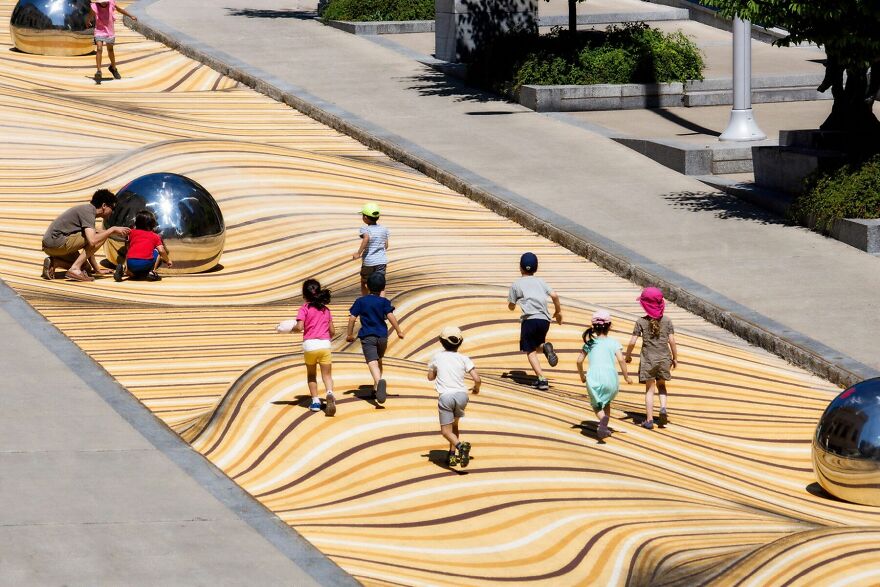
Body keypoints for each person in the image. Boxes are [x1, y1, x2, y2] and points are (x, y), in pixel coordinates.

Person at [41, 189, 130, 282]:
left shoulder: (86, 211)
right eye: (112, 208)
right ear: (104, 205)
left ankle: (54, 263)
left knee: (86, 268)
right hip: (57, 242)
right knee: (101, 234)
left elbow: (90, 245)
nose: (113, 212)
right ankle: (75, 269)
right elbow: (92, 241)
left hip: (51, 245)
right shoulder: (88, 211)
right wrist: (111, 230)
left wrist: (97, 270)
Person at [624, 287, 678, 430]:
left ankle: (649, 419)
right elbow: (672, 341)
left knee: (649, 389)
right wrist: (675, 358)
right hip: (664, 358)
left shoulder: (640, 322)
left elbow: (632, 342)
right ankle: (663, 408)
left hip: (648, 360)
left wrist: (628, 355)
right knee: (662, 385)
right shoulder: (667, 321)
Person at [507, 252, 562, 391]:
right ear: (536, 268)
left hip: (530, 320)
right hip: (544, 320)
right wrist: (558, 311)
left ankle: (542, 379)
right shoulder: (541, 282)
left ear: (520, 267)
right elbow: (554, 295)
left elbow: (511, 305)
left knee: (529, 350)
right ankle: (545, 348)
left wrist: (512, 305)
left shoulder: (516, 284)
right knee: (536, 344)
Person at [281, 279, 337, 416]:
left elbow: (300, 327)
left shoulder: (304, 309)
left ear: (304, 295)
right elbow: (333, 331)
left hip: (310, 345)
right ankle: (329, 393)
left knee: (312, 374)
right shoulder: (326, 310)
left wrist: (289, 329)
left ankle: (316, 401)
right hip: (324, 345)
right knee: (327, 375)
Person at [427, 326, 481, 467]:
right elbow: (477, 379)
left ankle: (460, 446)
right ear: (460, 342)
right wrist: (476, 389)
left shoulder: (437, 357)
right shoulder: (464, 358)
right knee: (455, 425)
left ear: (440, 341)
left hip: (446, 397)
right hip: (462, 396)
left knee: (445, 431)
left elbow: (430, 377)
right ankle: (452, 455)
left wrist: (437, 371)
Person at [346, 273, 404, 403]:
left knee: (372, 361)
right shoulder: (384, 302)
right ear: (383, 288)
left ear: (366, 286)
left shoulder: (360, 301)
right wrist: (399, 331)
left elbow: (352, 318)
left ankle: (379, 381)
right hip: (383, 336)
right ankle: (376, 387)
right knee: (379, 359)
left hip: (368, 336)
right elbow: (390, 316)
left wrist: (349, 334)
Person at [576, 310, 631, 440]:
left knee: (596, 405)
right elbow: (621, 360)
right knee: (606, 402)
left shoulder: (590, 343)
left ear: (593, 327)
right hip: (611, 378)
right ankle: (604, 427)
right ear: (609, 326)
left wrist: (582, 376)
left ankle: (602, 421)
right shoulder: (614, 342)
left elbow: (579, 361)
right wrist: (626, 376)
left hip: (594, 377)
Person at [87, 0, 138, 85]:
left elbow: (120, 10)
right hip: (99, 31)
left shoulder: (111, 4)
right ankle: (99, 71)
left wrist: (130, 16)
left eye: (105, 1)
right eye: (102, 2)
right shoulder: (95, 6)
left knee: (110, 50)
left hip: (109, 31)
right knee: (99, 49)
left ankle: (113, 68)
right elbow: (91, 15)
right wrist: (88, 21)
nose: (104, 3)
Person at [114, 209, 171, 282]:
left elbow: (127, 246)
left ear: (136, 223)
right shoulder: (155, 236)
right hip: (146, 263)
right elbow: (161, 250)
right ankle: (152, 272)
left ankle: (125, 269)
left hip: (131, 263)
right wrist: (168, 260)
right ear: (152, 224)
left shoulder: (131, 233)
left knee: (130, 251)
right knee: (157, 251)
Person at [351, 202, 389, 296]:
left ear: (366, 218)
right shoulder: (384, 229)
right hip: (381, 261)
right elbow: (386, 245)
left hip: (369, 261)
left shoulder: (365, 229)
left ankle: (366, 299)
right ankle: (382, 302)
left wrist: (358, 253)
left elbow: (366, 238)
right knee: (381, 284)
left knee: (364, 282)